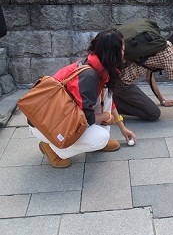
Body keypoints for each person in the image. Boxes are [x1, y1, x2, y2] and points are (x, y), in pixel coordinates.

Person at [29, 29, 137, 168]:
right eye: (121, 50)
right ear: (112, 53)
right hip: (46, 124)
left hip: (61, 116)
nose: (123, 53)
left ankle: (95, 143)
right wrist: (105, 116)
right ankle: (53, 148)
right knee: (101, 138)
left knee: (107, 94)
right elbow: (84, 118)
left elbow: (107, 99)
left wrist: (122, 127)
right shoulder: (89, 76)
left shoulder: (97, 66)